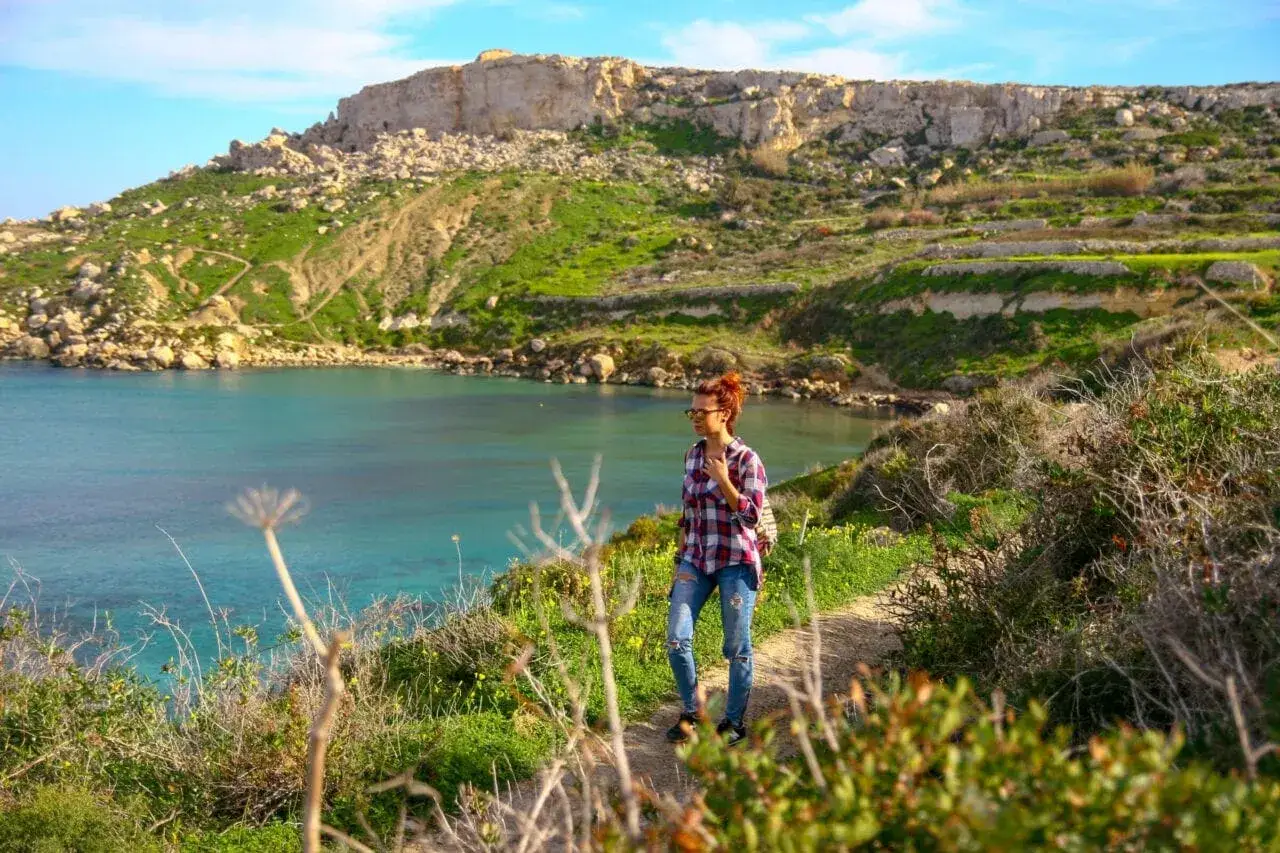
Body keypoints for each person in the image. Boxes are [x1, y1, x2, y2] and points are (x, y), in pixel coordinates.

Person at [666, 371, 767, 747]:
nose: (694, 417)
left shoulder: (746, 460)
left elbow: (752, 517)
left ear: (724, 413)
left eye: (701, 411)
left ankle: (735, 724)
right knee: (677, 639)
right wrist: (679, 562)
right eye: (690, 411)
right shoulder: (692, 455)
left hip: (735, 561)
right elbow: (686, 512)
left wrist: (725, 480)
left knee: (736, 647)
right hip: (695, 559)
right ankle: (693, 714)